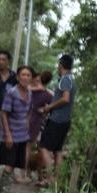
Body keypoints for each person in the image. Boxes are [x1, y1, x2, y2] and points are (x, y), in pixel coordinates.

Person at [36, 53, 77, 185]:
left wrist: (49, 108)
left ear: (60, 65)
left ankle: (51, 178)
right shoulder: (72, 79)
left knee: (43, 147)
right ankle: (56, 180)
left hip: (57, 119)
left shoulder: (65, 79)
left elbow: (65, 99)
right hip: (65, 120)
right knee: (57, 150)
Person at [0, 65, 35, 193]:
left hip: (22, 135)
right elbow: (4, 113)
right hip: (11, 134)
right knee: (8, 165)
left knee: (14, 165)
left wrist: (27, 123)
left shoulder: (30, 93)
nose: (25, 77)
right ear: (18, 77)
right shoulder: (12, 92)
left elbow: (29, 111)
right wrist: (8, 134)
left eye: (28, 75)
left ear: (31, 78)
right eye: (23, 75)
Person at [28, 69, 52, 183]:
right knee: (39, 149)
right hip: (38, 124)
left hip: (36, 123)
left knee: (34, 148)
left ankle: (34, 174)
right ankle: (39, 176)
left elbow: (48, 109)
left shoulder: (44, 93)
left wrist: (42, 110)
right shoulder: (47, 94)